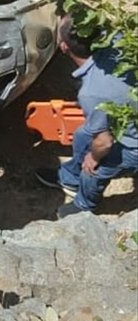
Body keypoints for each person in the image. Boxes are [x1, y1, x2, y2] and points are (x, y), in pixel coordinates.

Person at [35, 16, 138, 218]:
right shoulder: (117, 41)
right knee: (83, 133)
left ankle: (84, 205)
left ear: (64, 47)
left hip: (134, 144)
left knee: (96, 167)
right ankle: (69, 178)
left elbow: (105, 142)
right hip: (130, 117)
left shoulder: (92, 93)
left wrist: (93, 157)